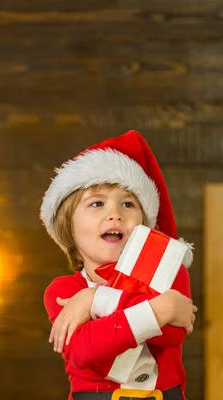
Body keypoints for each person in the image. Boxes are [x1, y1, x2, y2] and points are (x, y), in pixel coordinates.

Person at [41, 130, 197, 400]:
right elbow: (84, 351)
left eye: (128, 204)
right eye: (97, 203)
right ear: (68, 226)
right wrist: (161, 307)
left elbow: (170, 335)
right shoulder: (65, 290)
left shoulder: (170, 272)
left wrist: (96, 300)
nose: (115, 214)